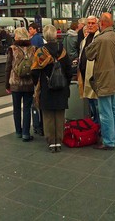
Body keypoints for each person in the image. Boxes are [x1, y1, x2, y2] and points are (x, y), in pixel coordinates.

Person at [82, 13, 115, 150]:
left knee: (105, 113)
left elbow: (89, 55)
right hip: (114, 78)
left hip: (103, 79)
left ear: (102, 23)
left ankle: (108, 141)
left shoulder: (100, 39)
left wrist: (88, 38)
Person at [30, 25, 73, 153]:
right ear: (55, 35)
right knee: (60, 115)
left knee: (48, 115)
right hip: (61, 88)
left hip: (46, 89)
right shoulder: (63, 50)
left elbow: (34, 71)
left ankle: (51, 142)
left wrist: (37, 83)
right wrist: (66, 82)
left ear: (44, 36)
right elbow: (69, 70)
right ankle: (59, 141)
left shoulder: (40, 52)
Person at [6, 28, 36, 142]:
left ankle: (18, 131)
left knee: (17, 108)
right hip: (29, 83)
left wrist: (6, 85)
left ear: (17, 37)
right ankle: (26, 134)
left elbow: (8, 68)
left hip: (15, 84)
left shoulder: (12, 49)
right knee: (27, 109)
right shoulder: (33, 49)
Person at [78, 16, 101, 126]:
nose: (90, 25)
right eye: (88, 23)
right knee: (90, 100)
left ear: (98, 25)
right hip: (85, 74)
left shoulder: (99, 38)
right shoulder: (85, 40)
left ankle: (98, 123)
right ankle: (95, 121)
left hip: (94, 76)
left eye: (93, 23)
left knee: (96, 102)